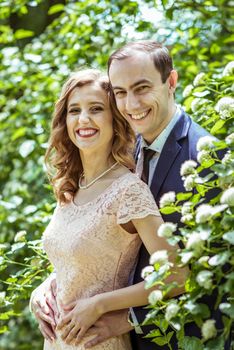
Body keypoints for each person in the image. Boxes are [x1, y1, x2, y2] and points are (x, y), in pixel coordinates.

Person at [30, 68, 186, 350]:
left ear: (115, 119)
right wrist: (41, 291)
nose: (84, 119)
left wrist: (100, 305)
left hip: (99, 341)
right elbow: (75, 263)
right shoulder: (72, 185)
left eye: (96, 109)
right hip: (57, 342)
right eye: (74, 110)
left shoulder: (128, 190)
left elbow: (176, 275)